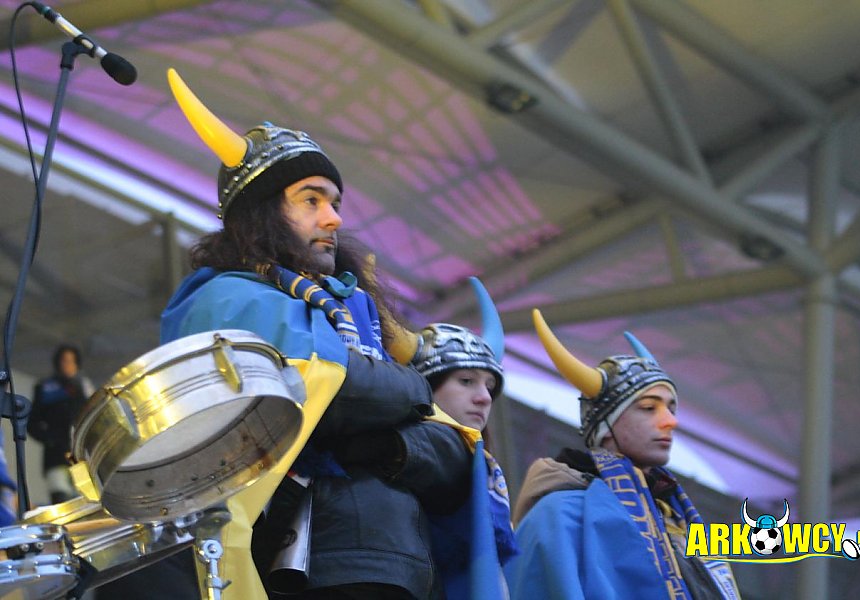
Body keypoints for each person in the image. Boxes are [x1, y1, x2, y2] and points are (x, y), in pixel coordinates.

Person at [98, 69, 469, 600]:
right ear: (262, 213)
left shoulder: (353, 308)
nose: (335, 218)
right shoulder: (227, 298)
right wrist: (412, 391)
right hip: (307, 565)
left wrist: (387, 447)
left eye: (335, 202)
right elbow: (329, 393)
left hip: (406, 567)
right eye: (312, 200)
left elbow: (454, 454)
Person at [504, 309, 741, 600]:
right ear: (605, 425)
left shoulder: (674, 516)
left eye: (671, 408)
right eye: (648, 408)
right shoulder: (559, 515)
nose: (670, 421)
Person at [393, 276, 518, 598]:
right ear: (423, 386)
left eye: (489, 386)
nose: (484, 398)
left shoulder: (482, 468)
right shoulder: (387, 454)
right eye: (466, 381)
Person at [27, 344, 94, 504]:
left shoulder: (84, 386)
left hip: (80, 458)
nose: (68, 365)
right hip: (55, 458)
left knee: (86, 500)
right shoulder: (45, 388)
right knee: (61, 498)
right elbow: (32, 423)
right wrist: (51, 440)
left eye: (72, 361)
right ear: (58, 363)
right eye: (64, 361)